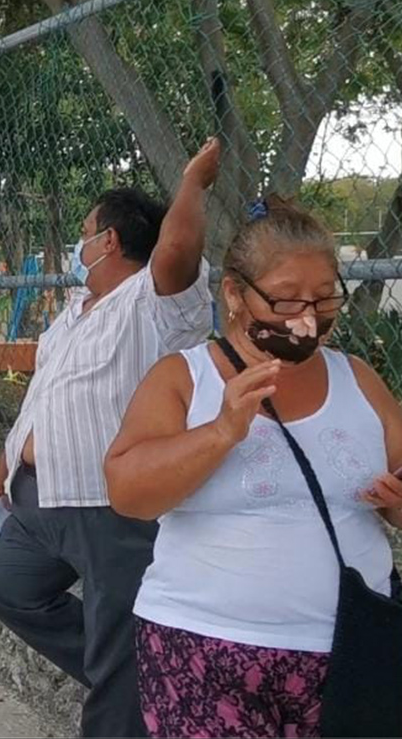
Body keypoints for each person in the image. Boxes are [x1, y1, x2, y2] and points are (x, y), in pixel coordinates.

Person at [104, 196, 402, 738]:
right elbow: (128, 493)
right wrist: (221, 431)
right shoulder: (184, 378)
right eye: (285, 300)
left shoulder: (358, 378)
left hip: (352, 654)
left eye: (325, 296)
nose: (309, 317)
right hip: (203, 652)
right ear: (234, 294)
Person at [0, 139, 222, 737]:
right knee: (6, 585)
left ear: (109, 240)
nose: (78, 244)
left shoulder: (152, 304)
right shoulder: (74, 312)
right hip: (38, 498)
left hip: (106, 507)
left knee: (118, 644)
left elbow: (178, 250)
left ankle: (128, 691)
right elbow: (41, 399)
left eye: (85, 232)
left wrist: (192, 183)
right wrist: (3, 472)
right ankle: (144, 681)